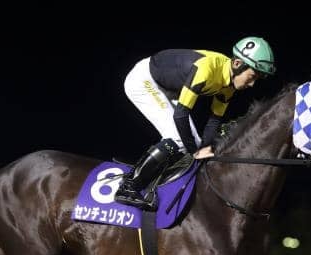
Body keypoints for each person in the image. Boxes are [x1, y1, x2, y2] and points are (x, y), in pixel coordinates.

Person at [114, 36, 276, 210]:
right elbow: (180, 115)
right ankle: (128, 186)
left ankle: (153, 180)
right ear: (237, 64)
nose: (252, 84)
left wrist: (203, 148)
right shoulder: (207, 69)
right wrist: (195, 152)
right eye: (252, 76)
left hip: (168, 87)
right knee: (178, 139)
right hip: (144, 80)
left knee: (195, 144)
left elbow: (213, 121)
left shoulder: (229, 85)